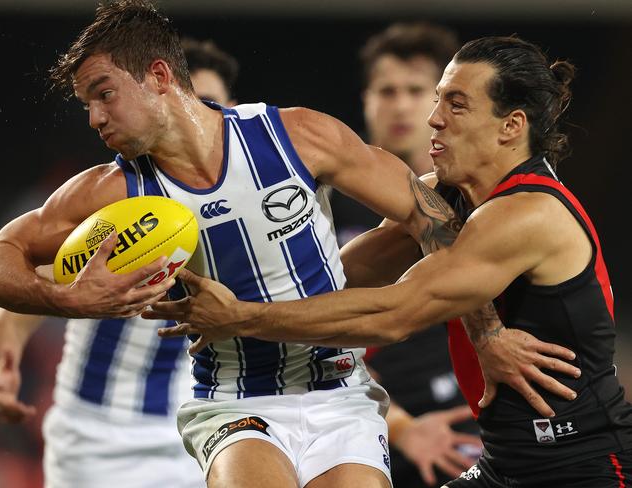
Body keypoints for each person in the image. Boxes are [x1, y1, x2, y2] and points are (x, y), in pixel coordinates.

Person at [0, 1, 577, 485]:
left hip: (339, 391)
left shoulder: (296, 137)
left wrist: (488, 333)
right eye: (87, 104)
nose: (94, 118)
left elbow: (434, 223)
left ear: (160, 77)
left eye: (103, 93)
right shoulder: (112, 191)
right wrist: (64, 300)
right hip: (233, 400)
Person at [148, 35, 632, 487]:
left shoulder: (527, 213)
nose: (434, 118)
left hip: (580, 464)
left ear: (512, 126)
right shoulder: (447, 196)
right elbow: (343, 278)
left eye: (456, 104)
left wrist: (240, 317)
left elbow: (392, 315)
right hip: (506, 464)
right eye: (439, 99)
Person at [0, 35, 240, 488]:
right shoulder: (116, 203)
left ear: (232, 108)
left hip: (202, 427)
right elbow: (15, 303)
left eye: (207, 105)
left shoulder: (254, 199)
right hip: (93, 436)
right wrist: (0, 360)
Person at [330, 23, 481, 487]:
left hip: (464, 418)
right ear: (366, 98)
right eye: (386, 90)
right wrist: (402, 427)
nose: (400, 105)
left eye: (417, 91)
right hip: (362, 416)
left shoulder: (479, 197)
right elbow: (310, 323)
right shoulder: (318, 202)